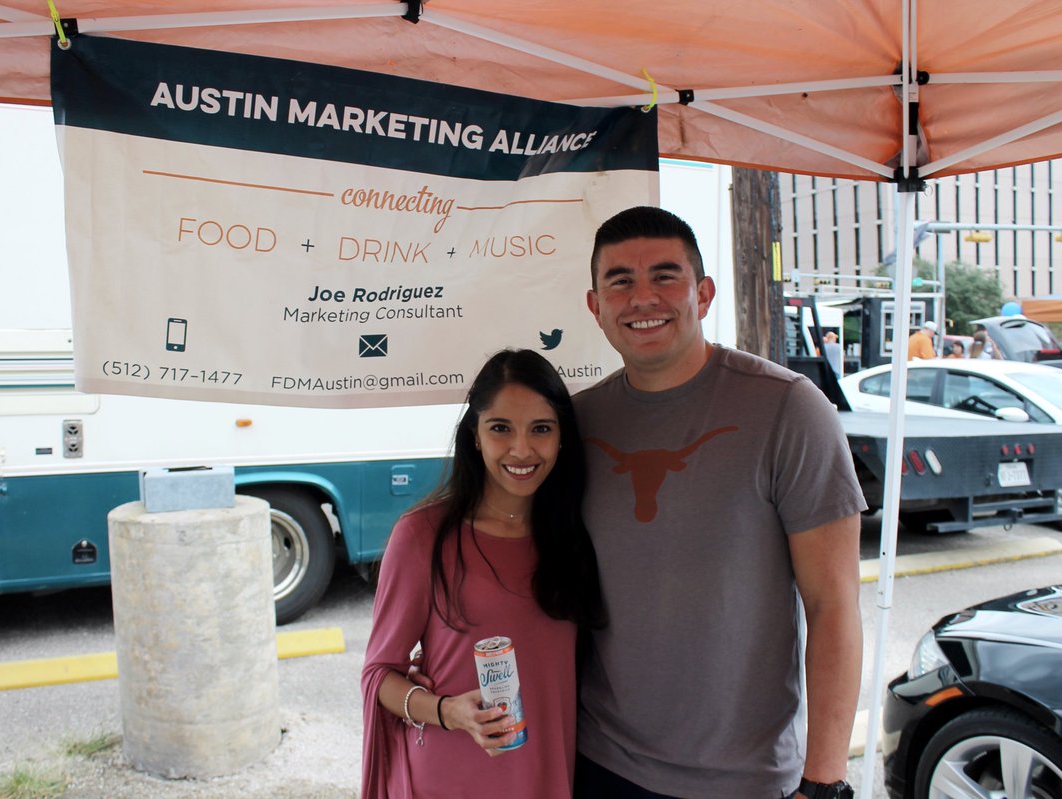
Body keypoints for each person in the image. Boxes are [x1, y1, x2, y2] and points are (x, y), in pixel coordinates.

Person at [573, 206, 865, 799]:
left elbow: (832, 604)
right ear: (595, 305)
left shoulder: (788, 409)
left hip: (744, 779)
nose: (642, 297)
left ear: (702, 294)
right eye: (620, 281)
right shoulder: (575, 423)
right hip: (600, 761)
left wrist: (825, 780)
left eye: (665, 276)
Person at [361, 348, 604, 799]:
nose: (522, 449)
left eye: (541, 429)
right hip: (452, 775)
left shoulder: (575, 535)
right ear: (474, 436)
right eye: (500, 429)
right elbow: (379, 675)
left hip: (550, 772)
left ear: (563, 438)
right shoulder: (422, 536)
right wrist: (447, 711)